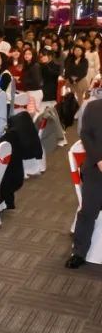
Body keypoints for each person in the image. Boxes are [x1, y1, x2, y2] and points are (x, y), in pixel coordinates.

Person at [69, 96, 102, 268]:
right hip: (96, 167)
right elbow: (85, 134)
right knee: (88, 211)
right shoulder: (93, 107)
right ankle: (79, 252)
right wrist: (99, 160)